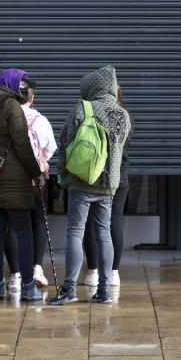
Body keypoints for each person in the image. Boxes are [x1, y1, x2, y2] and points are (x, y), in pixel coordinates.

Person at [49, 65, 130, 306]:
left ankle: (69, 288)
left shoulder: (82, 108)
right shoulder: (122, 114)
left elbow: (64, 146)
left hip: (82, 181)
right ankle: (104, 290)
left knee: (76, 231)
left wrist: (62, 174)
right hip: (108, 185)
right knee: (104, 233)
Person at [0, 68, 42, 301]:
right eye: (21, 83)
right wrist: (36, 173)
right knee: (24, 232)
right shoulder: (11, 106)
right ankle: (28, 286)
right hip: (14, 179)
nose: (24, 88)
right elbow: (22, 144)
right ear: (11, 83)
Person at [4, 74, 57, 290]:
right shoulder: (40, 120)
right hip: (36, 180)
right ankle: (36, 268)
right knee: (37, 223)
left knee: (12, 227)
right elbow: (51, 148)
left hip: (9, 179)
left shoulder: (3, 118)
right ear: (31, 99)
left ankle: (15, 275)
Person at [83, 86, 132, 287]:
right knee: (115, 222)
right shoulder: (125, 115)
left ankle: (93, 272)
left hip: (96, 175)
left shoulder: (92, 111)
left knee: (92, 223)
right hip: (120, 175)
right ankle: (114, 273)